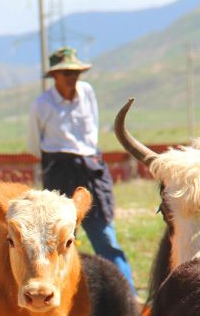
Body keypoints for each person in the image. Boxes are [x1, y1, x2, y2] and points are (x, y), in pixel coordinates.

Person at [28, 47, 137, 295]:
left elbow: (93, 131)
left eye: (75, 72)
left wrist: (87, 155)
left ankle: (127, 296)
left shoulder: (88, 93)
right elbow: (34, 144)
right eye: (65, 72)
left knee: (106, 237)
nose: (72, 77)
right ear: (54, 76)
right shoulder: (41, 104)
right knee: (59, 239)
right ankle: (62, 294)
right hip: (59, 171)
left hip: (91, 170)